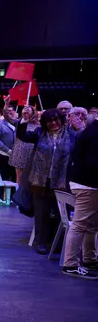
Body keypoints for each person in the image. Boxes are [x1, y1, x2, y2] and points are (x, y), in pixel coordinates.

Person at [16, 109, 77, 255]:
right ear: (44, 123)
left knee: (60, 213)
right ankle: (41, 242)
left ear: (61, 120)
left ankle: (59, 244)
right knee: (41, 213)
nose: (54, 123)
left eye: (56, 120)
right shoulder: (39, 133)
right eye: (50, 121)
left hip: (62, 181)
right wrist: (24, 120)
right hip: (40, 181)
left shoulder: (72, 135)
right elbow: (22, 135)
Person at [62, 117, 98, 278]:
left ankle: (89, 259)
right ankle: (70, 265)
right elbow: (94, 164)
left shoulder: (90, 131)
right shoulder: (94, 134)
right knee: (80, 224)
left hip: (83, 183)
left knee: (90, 225)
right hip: (88, 185)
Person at [9, 106, 40, 183]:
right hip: (20, 153)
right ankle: (19, 193)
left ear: (33, 112)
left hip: (33, 154)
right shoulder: (19, 122)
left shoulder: (39, 125)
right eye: (25, 111)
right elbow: (7, 117)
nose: (26, 112)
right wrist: (6, 105)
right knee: (20, 177)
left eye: (28, 111)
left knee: (31, 178)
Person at [0, 107, 18, 181]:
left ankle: (13, 192)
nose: (10, 113)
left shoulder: (17, 123)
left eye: (11, 111)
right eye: (8, 111)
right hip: (4, 154)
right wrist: (7, 150)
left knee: (14, 176)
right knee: (4, 176)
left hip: (15, 154)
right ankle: (3, 192)